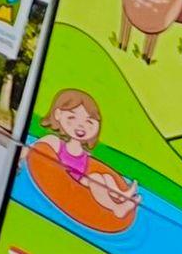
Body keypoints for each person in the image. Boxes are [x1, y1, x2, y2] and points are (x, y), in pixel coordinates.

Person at [30, 88, 141, 218]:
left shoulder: (84, 154)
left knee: (105, 177)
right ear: (58, 115)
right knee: (96, 179)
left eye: (89, 122)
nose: (81, 126)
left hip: (77, 179)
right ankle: (116, 208)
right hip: (64, 179)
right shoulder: (54, 141)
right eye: (72, 117)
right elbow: (32, 150)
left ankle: (120, 195)